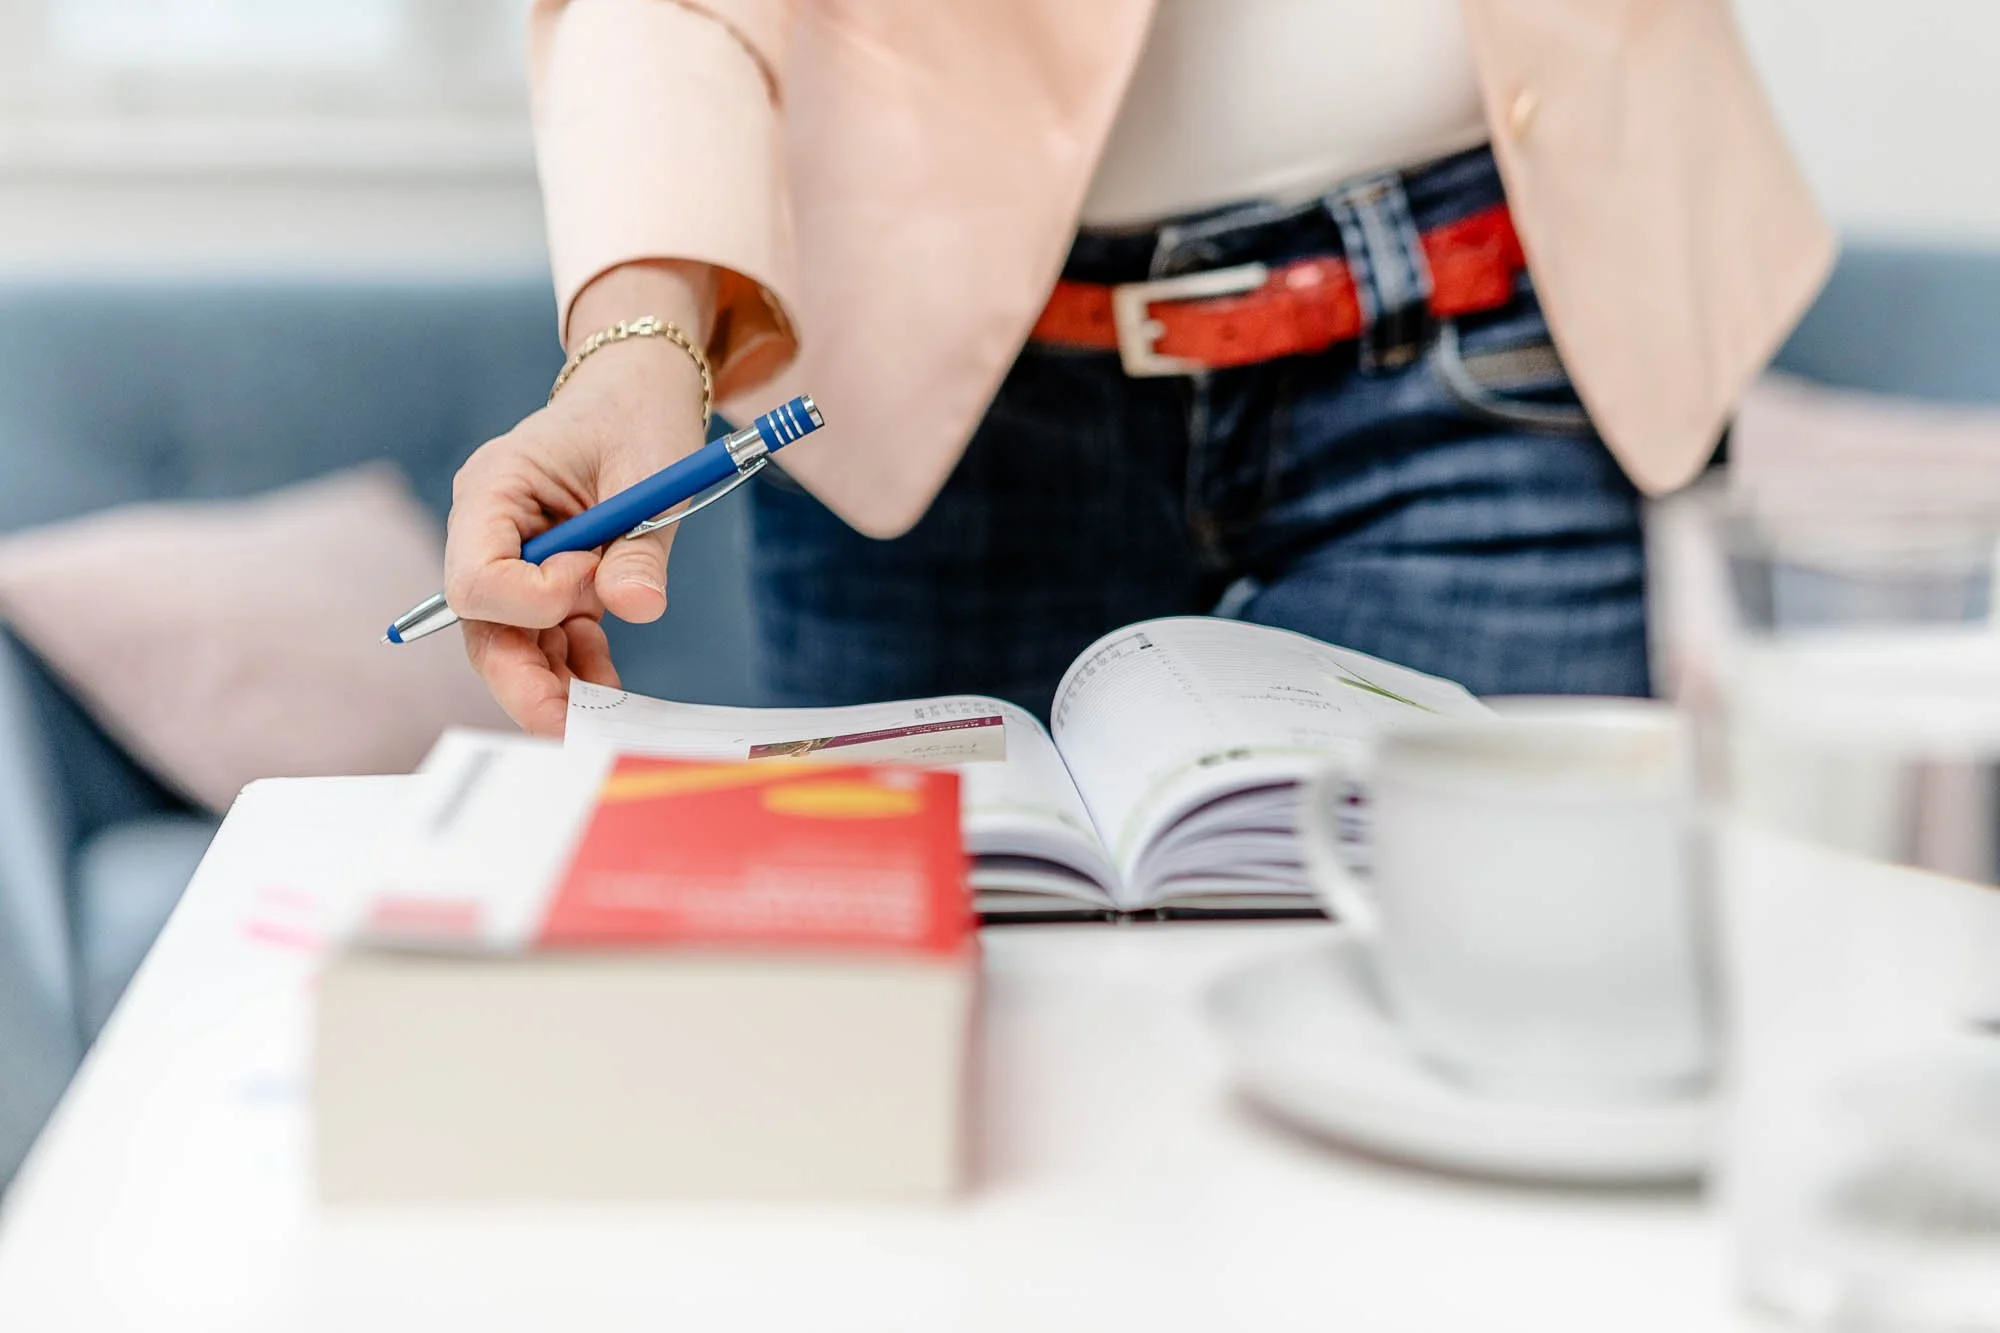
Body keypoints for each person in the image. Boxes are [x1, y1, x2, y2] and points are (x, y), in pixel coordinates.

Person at [446, 0, 1833, 737]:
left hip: (1474, 336)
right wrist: (636, 344)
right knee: (955, 1070)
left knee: (1500, 1025)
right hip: (935, 390)